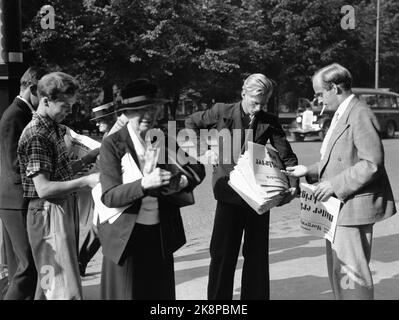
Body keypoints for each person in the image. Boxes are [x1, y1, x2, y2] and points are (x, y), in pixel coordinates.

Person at [285, 63, 396, 300]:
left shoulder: (359, 113)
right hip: (341, 209)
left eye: (319, 94)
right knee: (340, 272)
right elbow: (341, 160)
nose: (318, 101)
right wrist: (309, 169)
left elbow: (371, 163)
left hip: (352, 209)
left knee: (351, 276)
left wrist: (334, 185)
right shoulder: (343, 112)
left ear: (335, 88)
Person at [185, 73, 300, 300]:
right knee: (222, 255)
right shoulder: (221, 111)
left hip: (259, 198)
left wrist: (294, 185)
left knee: (257, 256)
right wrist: (203, 151)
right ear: (243, 93)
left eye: (263, 103)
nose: (257, 108)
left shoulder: (269, 121)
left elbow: (288, 157)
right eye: (254, 102)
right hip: (229, 195)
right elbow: (190, 124)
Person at [97, 79, 205, 300]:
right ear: (126, 113)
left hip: (159, 236)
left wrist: (180, 182)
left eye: (151, 108)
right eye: (139, 110)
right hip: (125, 240)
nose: (147, 115)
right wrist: (144, 184)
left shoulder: (161, 139)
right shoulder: (112, 144)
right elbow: (109, 196)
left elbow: (196, 169)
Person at [17, 72, 99, 300]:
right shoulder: (37, 134)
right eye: (65, 105)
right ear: (45, 101)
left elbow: (58, 175)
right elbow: (43, 188)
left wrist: (86, 159)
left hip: (56, 211)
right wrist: (87, 180)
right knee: (58, 287)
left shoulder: (53, 127)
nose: (69, 111)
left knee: (51, 284)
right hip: (47, 213)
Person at [0, 66, 47, 300]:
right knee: (28, 267)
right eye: (44, 94)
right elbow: (13, 164)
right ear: (31, 89)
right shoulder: (16, 115)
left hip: (13, 199)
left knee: (19, 265)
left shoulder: (19, 112)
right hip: (16, 199)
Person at [77, 91, 117, 276]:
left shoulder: (115, 134)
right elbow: (98, 150)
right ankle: (81, 261)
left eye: (100, 120)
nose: (97, 123)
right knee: (99, 225)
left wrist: (82, 162)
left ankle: (81, 262)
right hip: (101, 185)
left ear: (110, 119)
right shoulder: (111, 133)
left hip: (109, 185)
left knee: (100, 225)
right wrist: (82, 162)